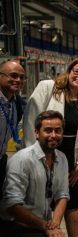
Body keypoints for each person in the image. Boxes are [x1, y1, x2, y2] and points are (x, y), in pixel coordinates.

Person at [23, 57, 78, 237]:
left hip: (72, 157)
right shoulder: (48, 87)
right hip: (45, 151)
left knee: (73, 203)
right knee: (43, 200)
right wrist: (34, 157)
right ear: (69, 71)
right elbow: (31, 120)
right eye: (77, 71)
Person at [0, 110, 69, 237]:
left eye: (58, 130)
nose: (53, 135)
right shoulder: (22, 160)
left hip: (41, 223)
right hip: (13, 224)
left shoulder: (62, 158)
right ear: (37, 133)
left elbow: (63, 195)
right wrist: (45, 226)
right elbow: (12, 205)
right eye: (48, 130)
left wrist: (54, 225)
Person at [0, 60, 25, 198]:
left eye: (21, 77)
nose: (18, 80)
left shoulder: (18, 103)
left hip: (2, 159)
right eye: (13, 76)